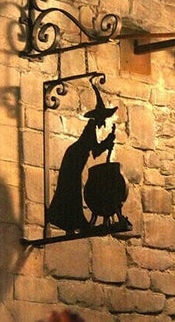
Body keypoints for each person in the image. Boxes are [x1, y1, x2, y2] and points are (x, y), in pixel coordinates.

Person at [46, 83, 117, 234]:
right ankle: (71, 221)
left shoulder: (92, 128)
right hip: (74, 158)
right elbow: (95, 151)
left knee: (71, 188)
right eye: (103, 118)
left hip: (75, 158)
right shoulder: (91, 128)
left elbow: (94, 150)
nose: (104, 121)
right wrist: (108, 142)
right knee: (71, 189)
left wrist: (107, 142)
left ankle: (69, 223)